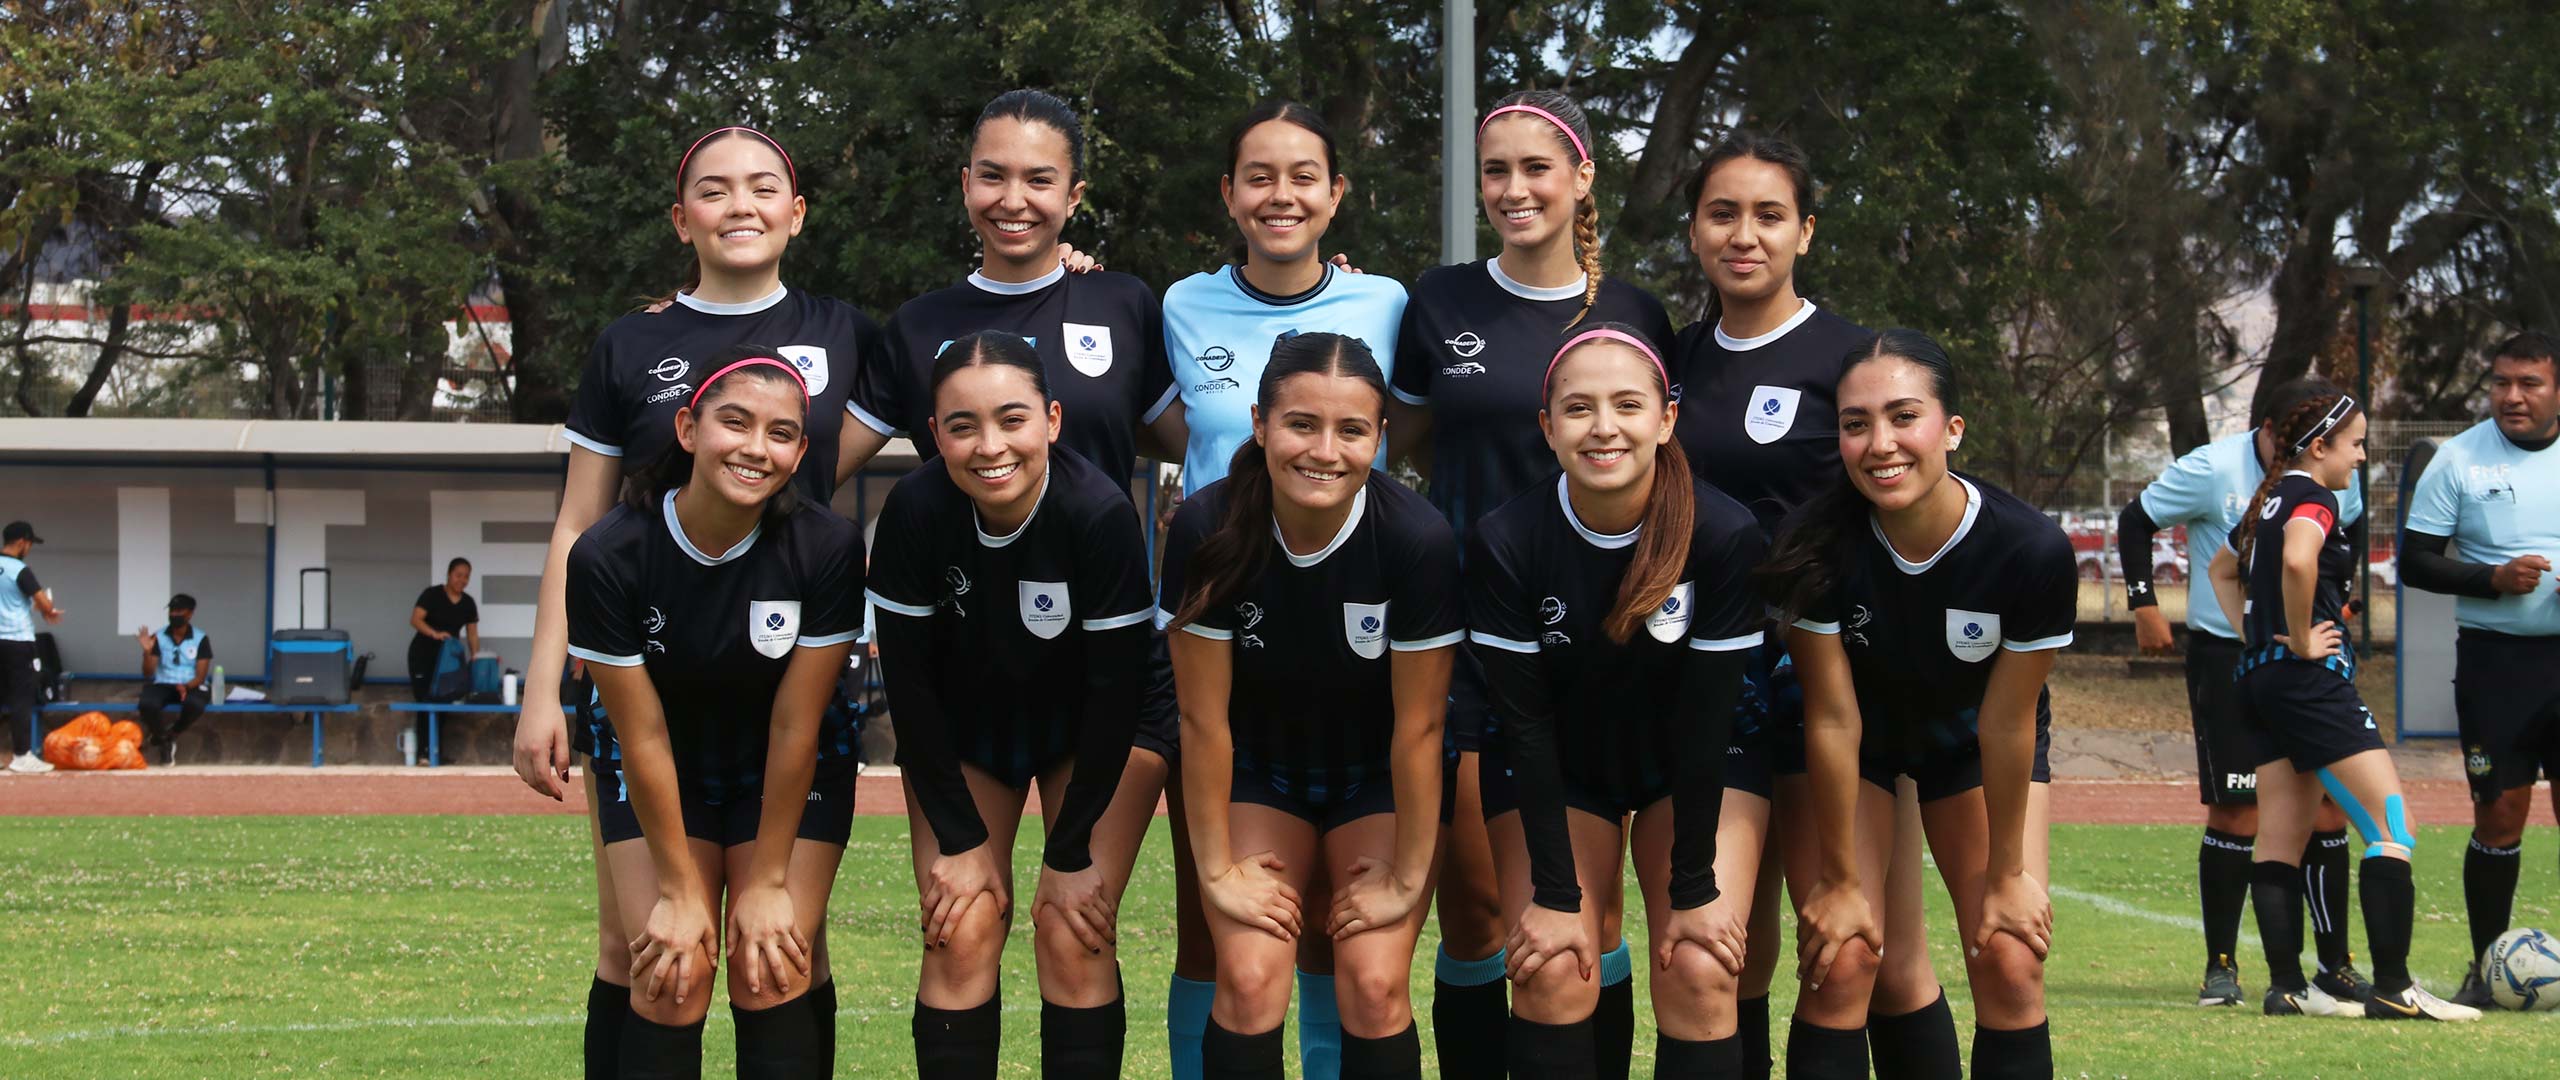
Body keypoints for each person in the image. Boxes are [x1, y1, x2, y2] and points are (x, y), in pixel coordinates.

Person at [512, 125, 883, 1078]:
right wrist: (541, 688)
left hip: (786, 677)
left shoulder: (849, 333)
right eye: (714, 191)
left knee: (786, 951)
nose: (741, 206)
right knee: (643, 951)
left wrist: (1063, 267)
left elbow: (982, 372)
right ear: (683, 219)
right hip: (650, 680)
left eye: (764, 187)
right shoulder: (633, 342)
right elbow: (576, 525)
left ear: (797, 215)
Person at [844, 91, 1207, 1067]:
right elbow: (799, 462)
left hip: (1104, 686)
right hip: (967, 691)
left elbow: (1212, 444)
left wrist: (1308, 295)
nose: (1014, 197)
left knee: (1071, 924)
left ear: (1073, 195)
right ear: (964, 184)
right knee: (960, 923)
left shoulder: (1123, 302)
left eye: (1039, 179)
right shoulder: (920, 326)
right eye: (992, 174)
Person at [1383, 90, 1675, 1080]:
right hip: (1478, 641)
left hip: (1608, 640)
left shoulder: (1636, 313)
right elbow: (1408, 439)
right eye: (1494, 171)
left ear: (1581, 176)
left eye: (1535, 167)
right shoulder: (1440, 303)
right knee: (1478, 908)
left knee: (1590, 911)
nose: (1513, 189)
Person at [1671, 132, 1954, 1078]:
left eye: (1768, 215)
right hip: (1711, 682)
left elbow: (1912, 504)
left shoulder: (1852, 361)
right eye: (1722, 213)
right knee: (1728, 952)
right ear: (1695, 229)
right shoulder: (1668, 369)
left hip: (1843, 678)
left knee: (1864, 953)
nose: (1743, 235)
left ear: (1806, 231)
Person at [1158, 98, 1408, 1078]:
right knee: (1216, 913)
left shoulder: (1385, 303)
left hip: (1349, 621)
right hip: (1223, 623)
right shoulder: (1177, 304)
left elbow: (1412, 435)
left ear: (1336, 194)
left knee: (1333, 927)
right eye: (1257, 175)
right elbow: (1143, 422)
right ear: (1227, 193)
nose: (1280, 194)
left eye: (1304, 175)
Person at [1770, 330, 2071, 1079]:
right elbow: (1834, 718)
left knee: (2008, 957)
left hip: (1972, 743)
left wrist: (2007, 875)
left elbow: (2007, 722)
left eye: (1905, 417)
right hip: (1861, 746)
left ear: (1952, 429)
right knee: (1840, 959)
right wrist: (1840, 881)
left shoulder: (2029, 550)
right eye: (1855, 423)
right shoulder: (1818, 543)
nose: (1881, 444)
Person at [1469, 325, 1766, 1077]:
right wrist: (1558, 896)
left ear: (1666, 419)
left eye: (1627, 405)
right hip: (1560, 765)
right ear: (1547, 428)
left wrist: (1695, 889)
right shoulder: (1507, 538)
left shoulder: (1724, 533)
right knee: (1552, 965)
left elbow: (1706, 724)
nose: (1604, 428)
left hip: (1695, 764)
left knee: (1700, 965)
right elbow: (1526, 727)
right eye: (1578, 409)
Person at [1161, 332, 1457, 1080]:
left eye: (1351, 429)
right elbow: (1202, 721)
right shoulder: (1208, 526)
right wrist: (1219, 870)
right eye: (1301, 424)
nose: (1323, 451)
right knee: (1254, 978)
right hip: (1262, 773)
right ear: (1260, 423)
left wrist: (1407, 877)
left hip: (1377, 779)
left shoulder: (1417, 540)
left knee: (1376, 982)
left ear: (1380, 439)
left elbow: (1420, 729)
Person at [865, 331, 1159, 1079]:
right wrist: (961, 842)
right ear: (934, 435)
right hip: (968, 726)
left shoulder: (1097, 513)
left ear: (1053, 420)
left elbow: (1114, 691)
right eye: (961, 425)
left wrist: (1069, 852)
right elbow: (910, 686)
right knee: (959, 929)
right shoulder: (914, 511)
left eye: (1012, 419)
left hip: (1096, 729)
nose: (989, 445)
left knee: (1073, 928)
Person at [565, 347, 865, 1079]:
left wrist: (764, 884)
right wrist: (677, 890)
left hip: (790, 761)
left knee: (771, 967)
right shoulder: (609, 554)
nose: (755, 448)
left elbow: (797, 724)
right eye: (735, 423)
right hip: (666, 761)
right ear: (688, 429)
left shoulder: (826, 547)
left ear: (800, 453)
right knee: (673, 972)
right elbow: (641, 732)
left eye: (781, 433)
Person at [2204, 387, 2480, 1022]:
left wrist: (2257, 636)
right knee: (2391, 829)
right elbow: (2300, 560)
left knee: (2278, 840)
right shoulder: (2313, 496)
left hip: (2257, 680)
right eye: (2355, 444)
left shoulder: (2265, 500)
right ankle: (2393, 988)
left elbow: (2222, 571)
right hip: (2309, 682)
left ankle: (2287, 990)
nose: (2361, 457)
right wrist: (2301, 638)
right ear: (2320, 445)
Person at [2118, 380, 2371, 1010]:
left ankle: (2334, 966)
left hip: (2311, 657)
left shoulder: (2334, 471)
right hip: (2230, 657)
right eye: (2280, 438)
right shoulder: (2210, 468)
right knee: (2239, 811)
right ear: (2265, 430)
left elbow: (2350, 530)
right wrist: (2145, 604)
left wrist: (2340, 597)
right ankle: (2222, 967)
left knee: (2329, 811)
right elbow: (2135, 521)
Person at [2400, 330, 2560, 1009]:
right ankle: (2489, 966)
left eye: (2529, 383)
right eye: (2500, 382)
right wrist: (2491, 577)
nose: (2512, 396)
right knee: (2500, 817)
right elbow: (2414, 561)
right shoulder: (2458, 459)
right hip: (2497, 665)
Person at [0, 520, 63, 775]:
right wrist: (48, 609)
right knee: (21, 698)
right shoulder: (19, 569)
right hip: (18, 641)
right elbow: (43, 603)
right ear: (21, 542)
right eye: (29, 543)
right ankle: (22, 755)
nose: (29, 549)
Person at [409, 558, 483, 756]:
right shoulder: (432, 594)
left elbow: (472, 633)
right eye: (458, 575)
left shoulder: (468, 603)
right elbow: (415, 619)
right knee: (425, 700)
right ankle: (423, 752)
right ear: (449, 575)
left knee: (444, 699)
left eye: (466, 576)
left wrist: (475, 655)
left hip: (448, 661)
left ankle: (436, 751)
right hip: (423, 655)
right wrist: (435, 633)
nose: (462, 580)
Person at [135, 594, 213, 767]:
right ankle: (164, 742)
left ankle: (172, 734)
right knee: (148, 704)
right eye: (172, 610)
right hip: (164, 682)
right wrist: (147, 652)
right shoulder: (159, 636)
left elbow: (201, 675)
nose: (174, 614)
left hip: (190, 684)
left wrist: (186, 686)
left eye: (179, 611)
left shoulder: (200, 638)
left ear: (190, 614)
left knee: (196, 704)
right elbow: (148, 673)